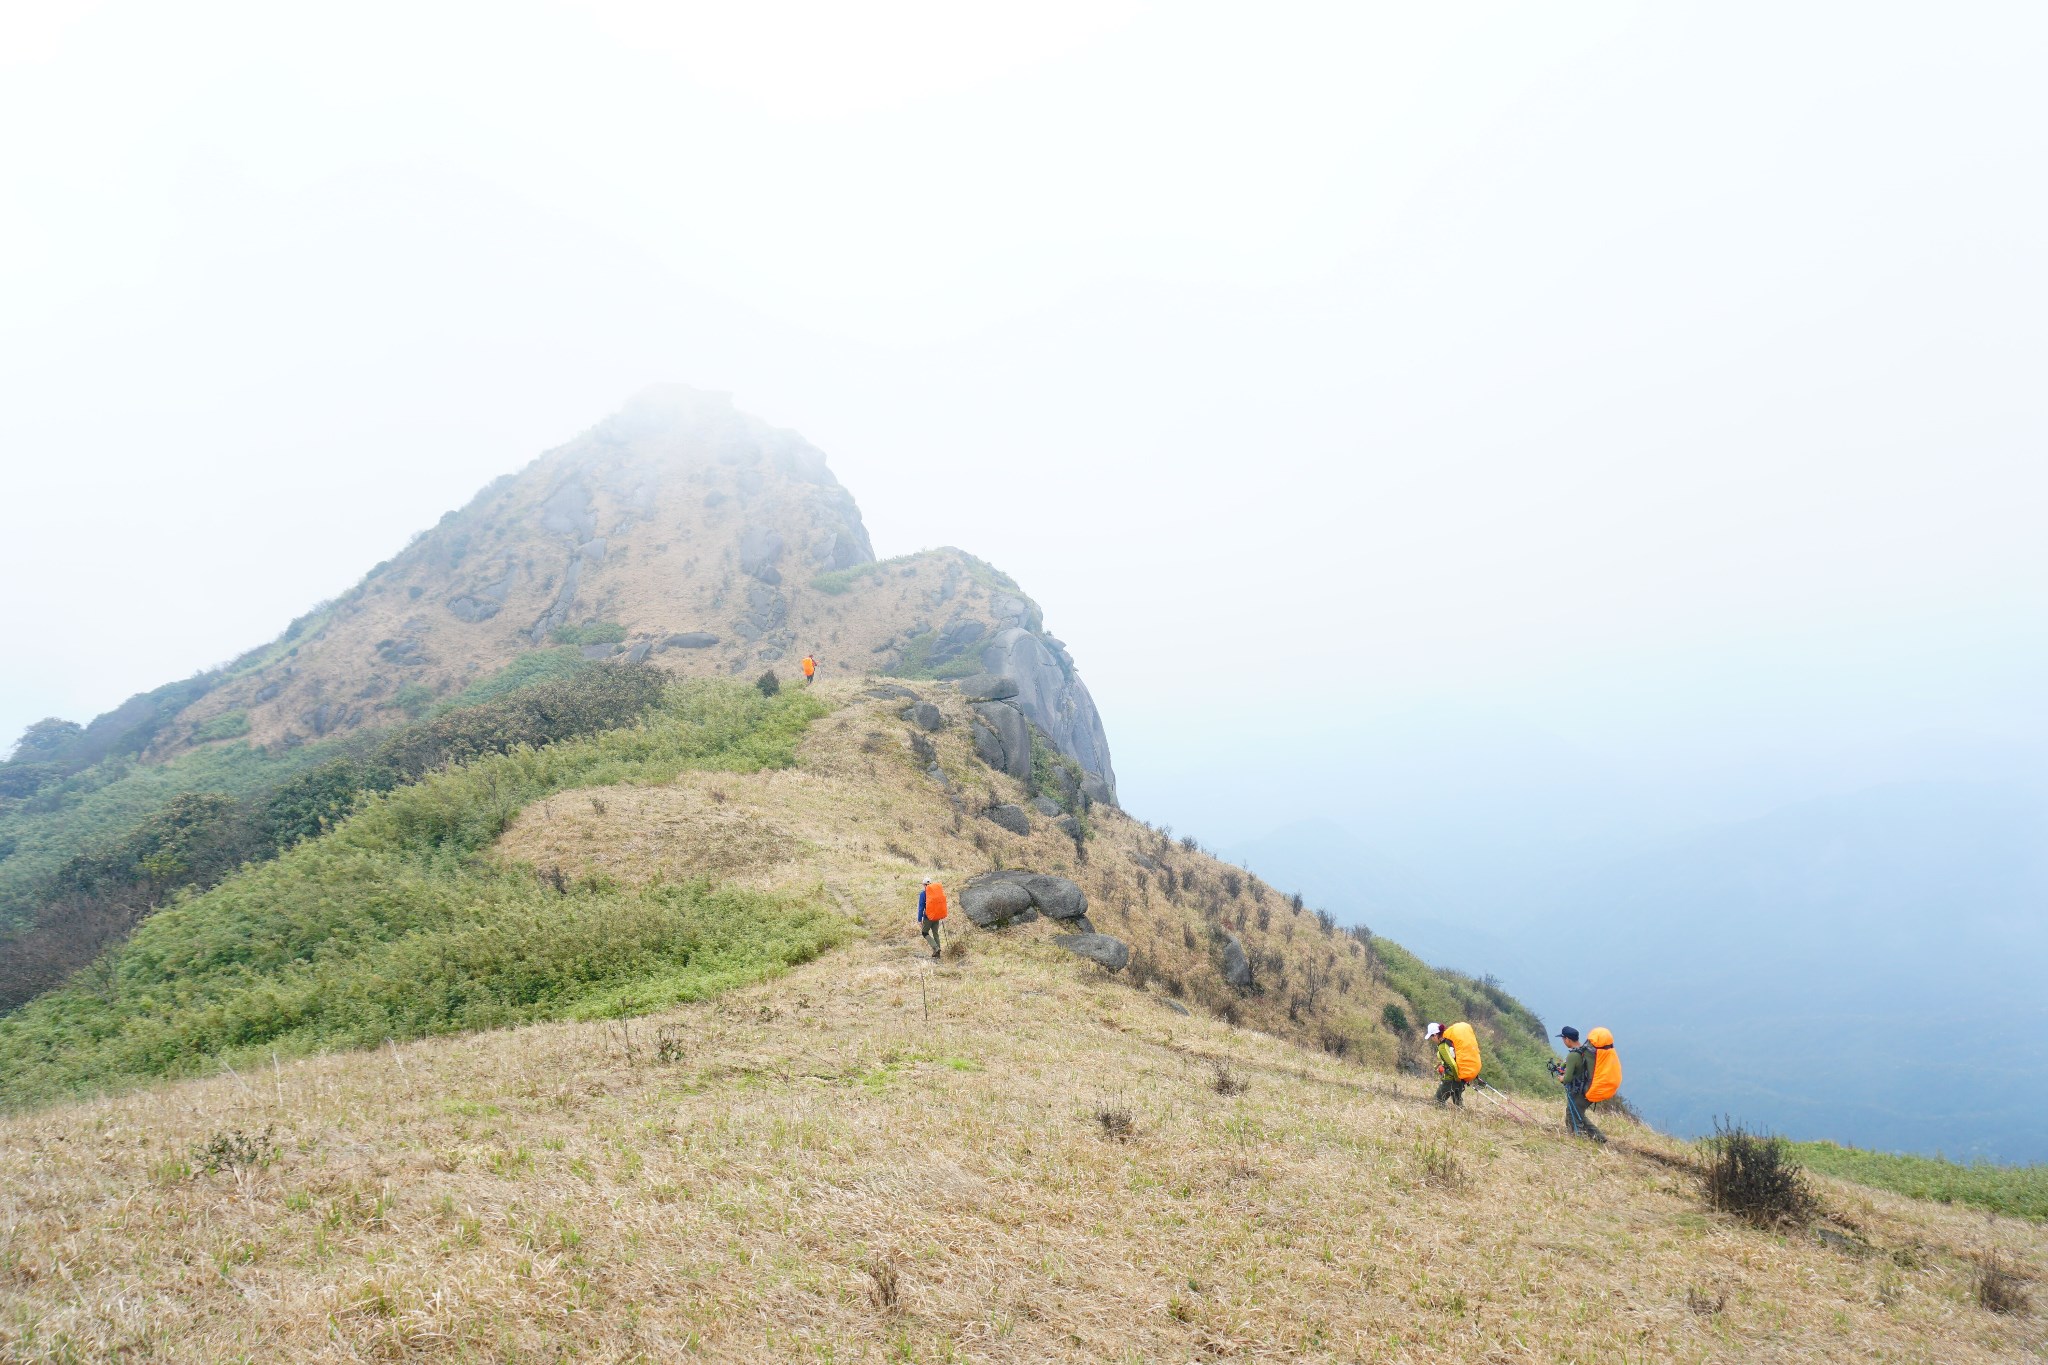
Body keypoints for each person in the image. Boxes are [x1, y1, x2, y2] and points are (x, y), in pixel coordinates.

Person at [1555, 1026, 1607, 1143]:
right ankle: (1597, 1138)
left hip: (1581, 1092)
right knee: (1575, 1113)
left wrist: (1561, 1078)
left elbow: (1567, 1078)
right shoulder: (1584, 1051)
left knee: (1574, 1114)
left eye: (1563, 1039)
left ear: (1567, 1039)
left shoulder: (1573, 1055)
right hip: (1589, 1089)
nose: (1563, 1042)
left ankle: (1579, 1139)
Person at [1426, 1022, 1466, 1107]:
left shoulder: (1442, 1047)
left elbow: (1452, 1064)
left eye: (1431, 1036)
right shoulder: (1449, 1041)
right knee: (1458, 1105)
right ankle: (1462, 1118)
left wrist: (1457, 1078)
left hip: (1451, 1079)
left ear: (1436, 1035)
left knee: (1437, 1102)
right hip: (1460, 1077)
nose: (1431, 1039)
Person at [917, 878, 948, 960]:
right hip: (937, 916)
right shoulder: (936, 893)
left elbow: (921, 908)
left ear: (924, 885)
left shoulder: (923, 894)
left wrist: (919, 920)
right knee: (935, 933)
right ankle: (938, 954)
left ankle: (936, 948)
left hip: (928, 917)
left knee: (924, 932)